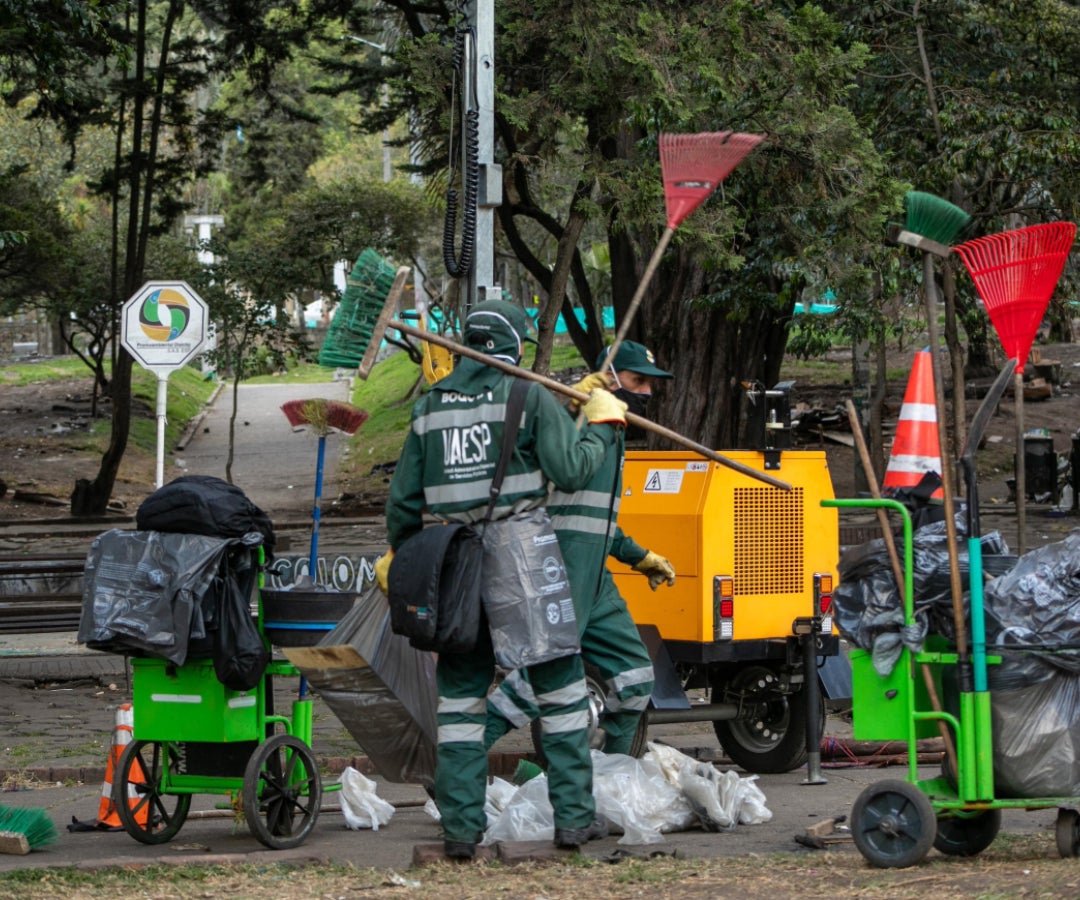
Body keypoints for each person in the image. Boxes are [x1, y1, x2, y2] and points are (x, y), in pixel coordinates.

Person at [375, 300, 627, 860]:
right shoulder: (526, 393)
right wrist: (603, 425)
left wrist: (402, 555)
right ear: (512, 344)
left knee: (461, 704)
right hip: (523, 560)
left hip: (453, 564)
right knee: (560, 691)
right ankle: (573, 820)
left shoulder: (429, 408)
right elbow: (571, 470)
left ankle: (461, 831)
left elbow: (403, 505)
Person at [484, 341, 676, 756]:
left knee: (635, 679)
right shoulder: (585, 423)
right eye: (637, 381)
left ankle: (612, 784)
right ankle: (452, 764)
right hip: (559, 570)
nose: (645, 393)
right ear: (611, 380)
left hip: (594, 580)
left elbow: (595, 521)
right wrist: (575, 407)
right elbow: (558, 464)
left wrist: (638, 556)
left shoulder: (612, 432)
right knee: (536, 683)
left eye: (650, 385)